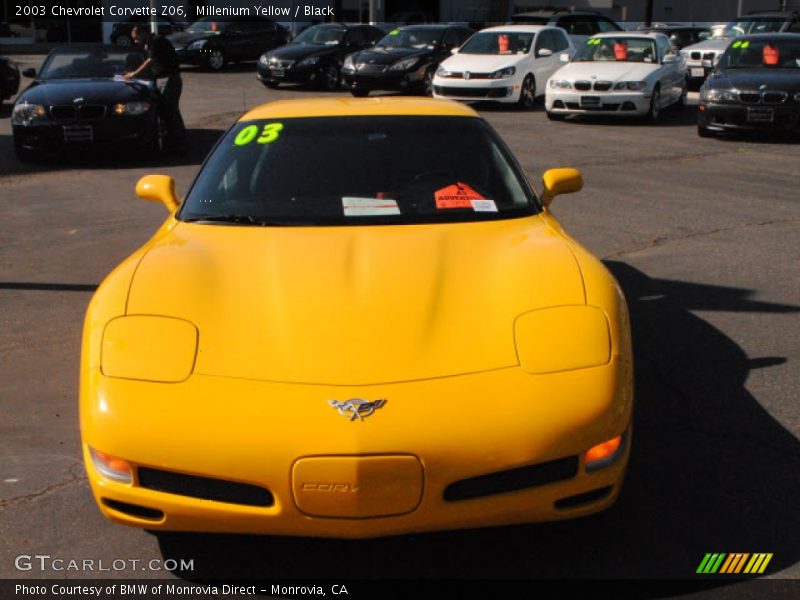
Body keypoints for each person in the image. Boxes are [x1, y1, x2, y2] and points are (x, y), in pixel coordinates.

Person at [124, 25, 186, 153]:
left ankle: (178, 144)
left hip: (169, 79)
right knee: (167, 111)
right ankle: (174, 141)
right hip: (162, 79)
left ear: (143, 33)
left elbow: (150, 61)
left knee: (170, 111)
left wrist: (133, 74)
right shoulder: (150, 44)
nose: (136, 41)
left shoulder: (157, 41)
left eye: (136, 38)